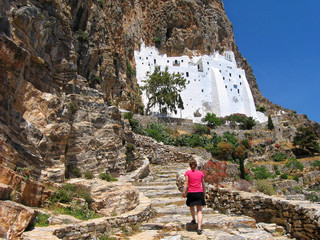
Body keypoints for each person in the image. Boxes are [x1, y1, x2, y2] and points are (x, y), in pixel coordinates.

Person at [182, 159, 206, 235]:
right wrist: (204, 194)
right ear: (196, 165)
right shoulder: (201, 173)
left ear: (190, 165)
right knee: (199, 210)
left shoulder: (187, 173)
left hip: (191, 193)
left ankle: (193, 219)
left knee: (191, 206)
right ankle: (199, 228)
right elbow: (203, 184)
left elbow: (186, 183)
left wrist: (184, 192)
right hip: (199, 192)